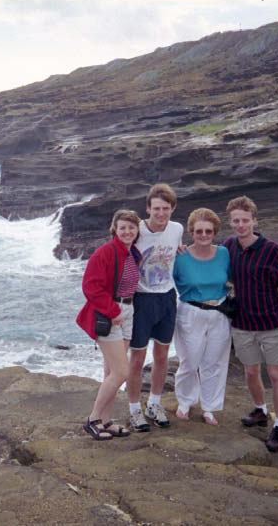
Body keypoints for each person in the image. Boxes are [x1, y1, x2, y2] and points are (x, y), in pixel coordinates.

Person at [224, 195, 278, 452]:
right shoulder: (229, 246)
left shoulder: (272, 249)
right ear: (230, 222)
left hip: (271, 322)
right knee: (251, 372)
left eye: (245, 220)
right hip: (243, 322)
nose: (240, 225)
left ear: (254, 220)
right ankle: (260, 411)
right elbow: (210, 262)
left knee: (276, 374)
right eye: (236, 221)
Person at [76, 209, 142, 440]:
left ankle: (105, 421)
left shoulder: (133, 252)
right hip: (111, 313)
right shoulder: (105, 252)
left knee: (111, 371)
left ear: (137, 230)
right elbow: (90, 286)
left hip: (128, 311)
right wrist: (112, 311)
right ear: (115, 229)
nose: (127, 232)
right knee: (122, 372)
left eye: (131, 228)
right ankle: (93, 419)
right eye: (123, 228)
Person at [127, 184, 183, 432]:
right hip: (142, 299)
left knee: (161, 357)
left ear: (172, 209)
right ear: (148, 208)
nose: (161, 213)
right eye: (156, 208)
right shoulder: (136, 230)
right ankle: (134, 409)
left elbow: (176, 252)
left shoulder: (177, 229)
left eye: (166, 208)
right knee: (137, 359)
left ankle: (154, 404)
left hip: (167, 298)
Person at [172, 208, 232, 426]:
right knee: (189, 361)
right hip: (190, 312)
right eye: (199, 231)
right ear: (191, 232)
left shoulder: (224, 254)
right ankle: (185, 402)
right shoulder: (180, 257)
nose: (204, 235)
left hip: (220, 313)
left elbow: (237, 277)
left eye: (208, 231)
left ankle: (209, 407)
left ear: (215, 232)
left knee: (214, 362)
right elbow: (161, 280)